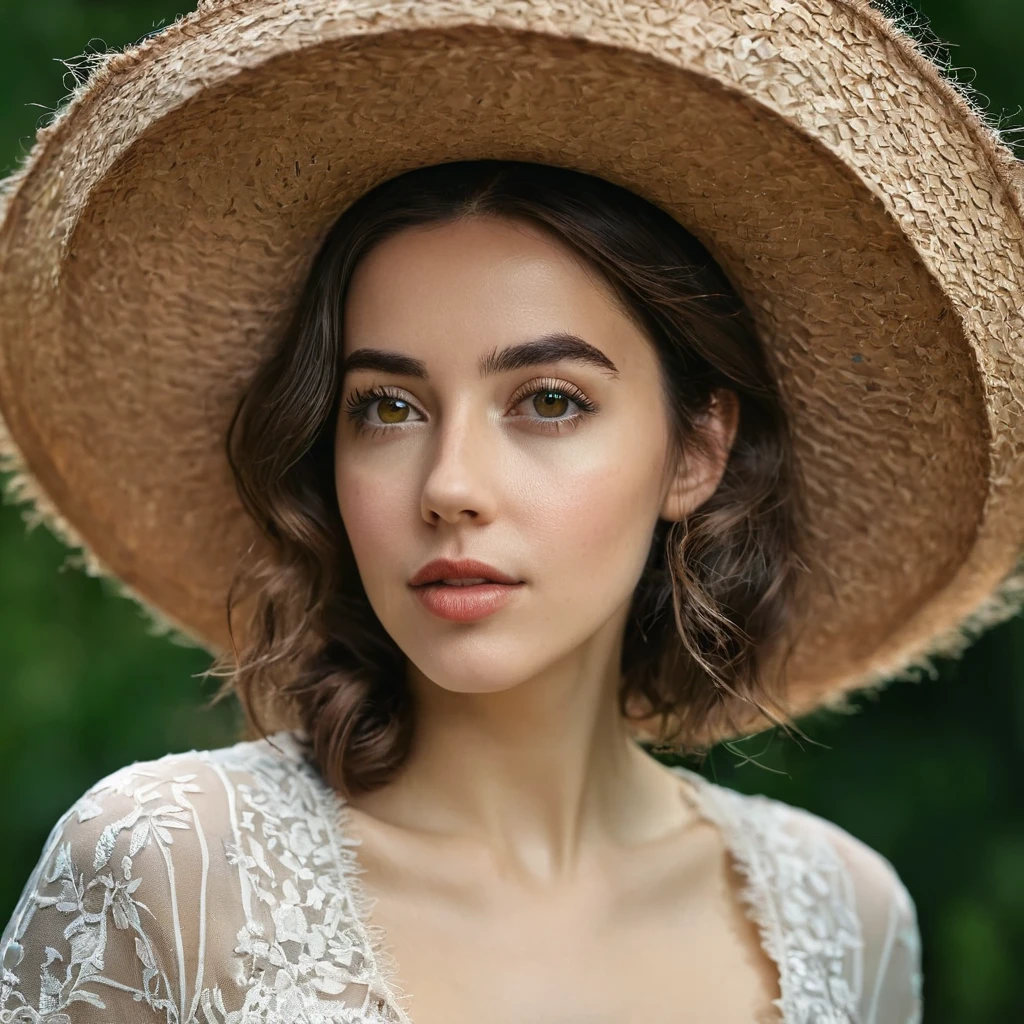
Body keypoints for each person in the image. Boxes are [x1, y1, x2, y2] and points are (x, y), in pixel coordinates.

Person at [2, 2, 1023, 1022]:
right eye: (388, 408)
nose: (449, 485)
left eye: (548, 401)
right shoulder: (162, 872)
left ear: (696, 451)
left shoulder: (843, 916)